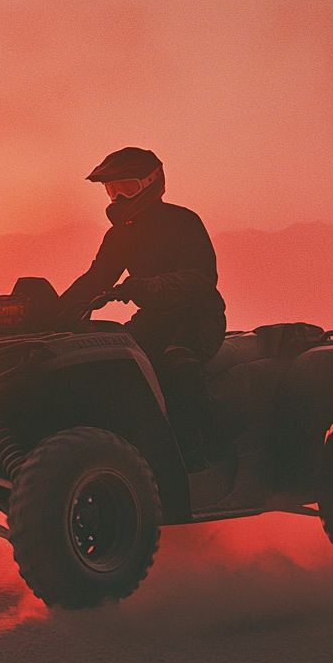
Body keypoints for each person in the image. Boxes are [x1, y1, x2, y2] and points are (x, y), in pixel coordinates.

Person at [58, 148, 226, 470]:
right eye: (112, 189)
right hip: (152, 318)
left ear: (153, 183)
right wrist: (53, 312)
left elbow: (202, 278)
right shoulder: (120, 235)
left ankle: (201, 446)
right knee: (115, 361)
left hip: (198, 315)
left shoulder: (184, 221)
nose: (119, 197)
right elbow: (96, 278)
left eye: (128, 188)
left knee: (177, 358)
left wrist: (145, 287)